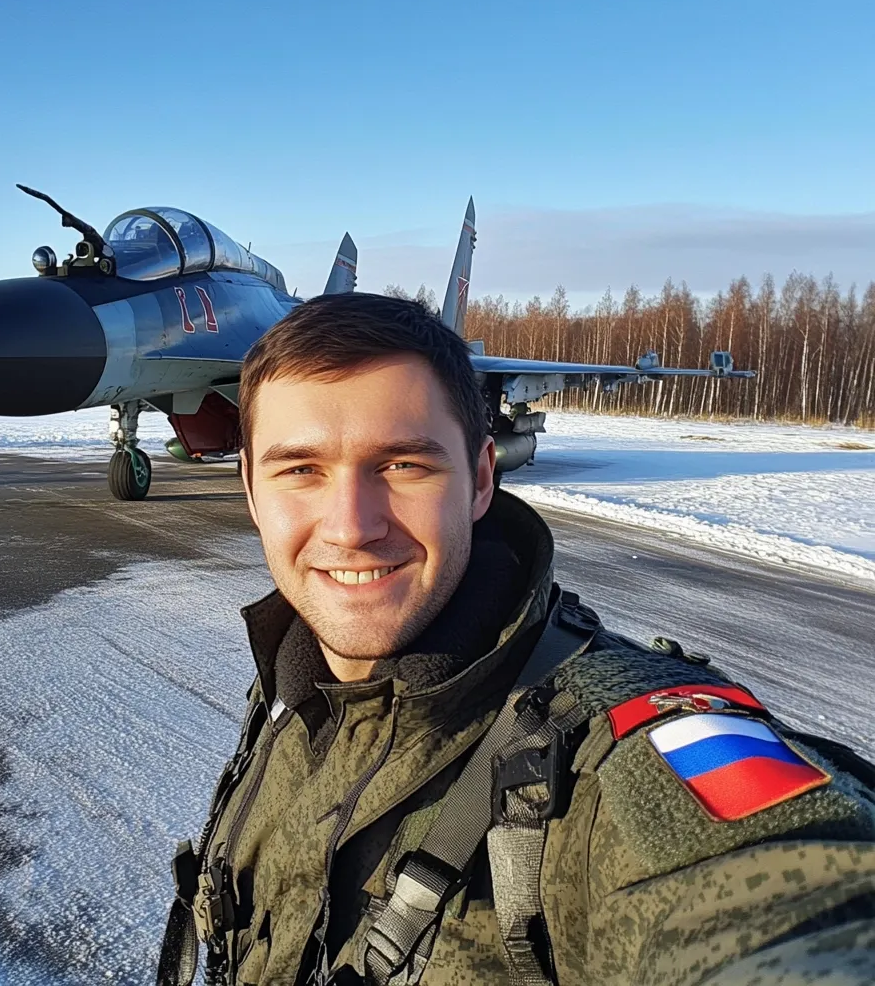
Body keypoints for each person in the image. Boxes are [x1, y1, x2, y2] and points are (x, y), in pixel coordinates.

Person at [158, 293, 875, 986]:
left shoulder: (606, 764)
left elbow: (785, 908)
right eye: (301, 470)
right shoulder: (291, 683)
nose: (351, 526)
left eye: (404, 465)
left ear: (478, 482)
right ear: (251, 489)